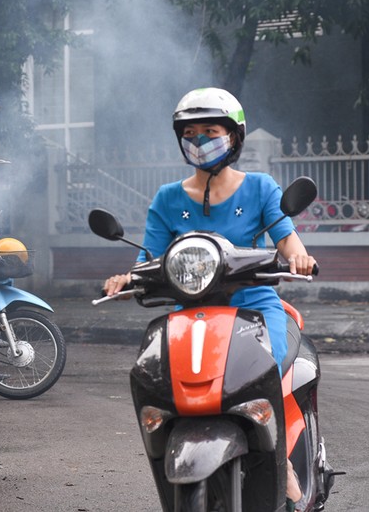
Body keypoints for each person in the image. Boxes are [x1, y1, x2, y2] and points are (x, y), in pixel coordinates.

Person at [102, 87, 313, 505]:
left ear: (233, 137)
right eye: (191, 132)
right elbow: (151, 259)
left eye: (210, 130)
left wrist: (300, 258)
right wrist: (126, 280)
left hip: (254, 311)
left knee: (270, 375)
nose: (199, 140)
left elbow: (288, 242)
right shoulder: (167, 199)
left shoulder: (260, 188)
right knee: (160, 382)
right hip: (192, 319)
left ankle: (282, 463)